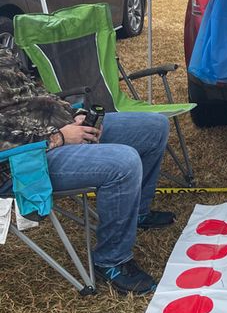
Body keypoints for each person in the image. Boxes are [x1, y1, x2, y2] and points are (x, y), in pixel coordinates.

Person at [0, 46, 174, 295]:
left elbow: (34, 95)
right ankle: (111, 260)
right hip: (21, 161)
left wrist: (73, 115)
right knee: (123, 163)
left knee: (154, 127)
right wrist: (59, 137)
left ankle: (137, 213)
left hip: (56, 130)